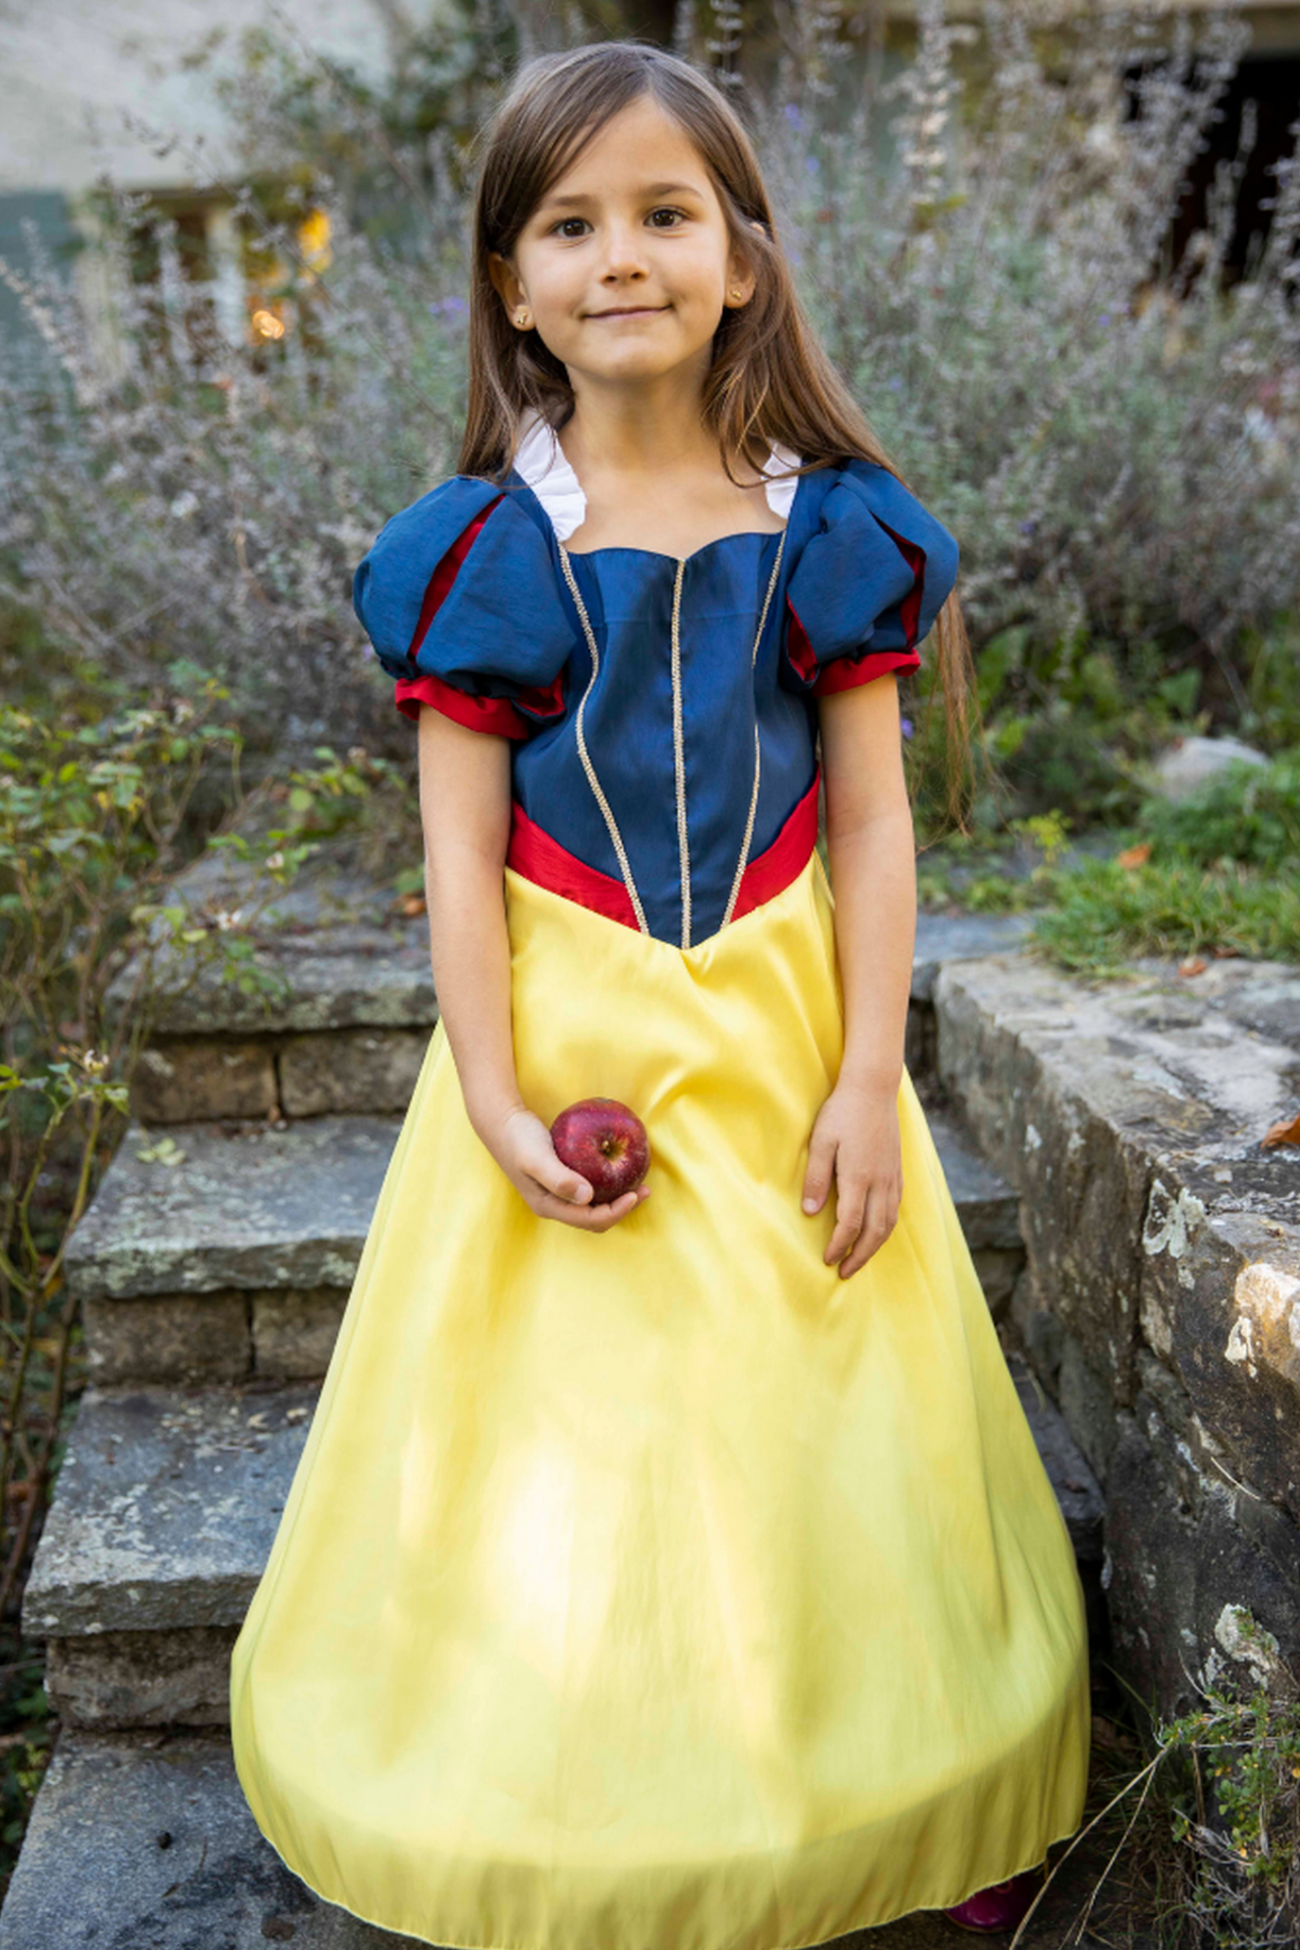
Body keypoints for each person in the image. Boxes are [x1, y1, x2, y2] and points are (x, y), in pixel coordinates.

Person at [230, 39, 1091, 1948]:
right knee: (581, 1443)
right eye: (570, 221)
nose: (621, 253)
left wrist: (871, 1071)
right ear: (510, 285)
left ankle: (904, 1791)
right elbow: (459, 855)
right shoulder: (482, 550)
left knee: (825, 1398)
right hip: (571, 1025)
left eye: (664, 213)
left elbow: (869, 827)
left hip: (781, 1028)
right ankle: (570, 1790)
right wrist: (494, 1098)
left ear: (742, 258)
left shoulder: (828, 529)